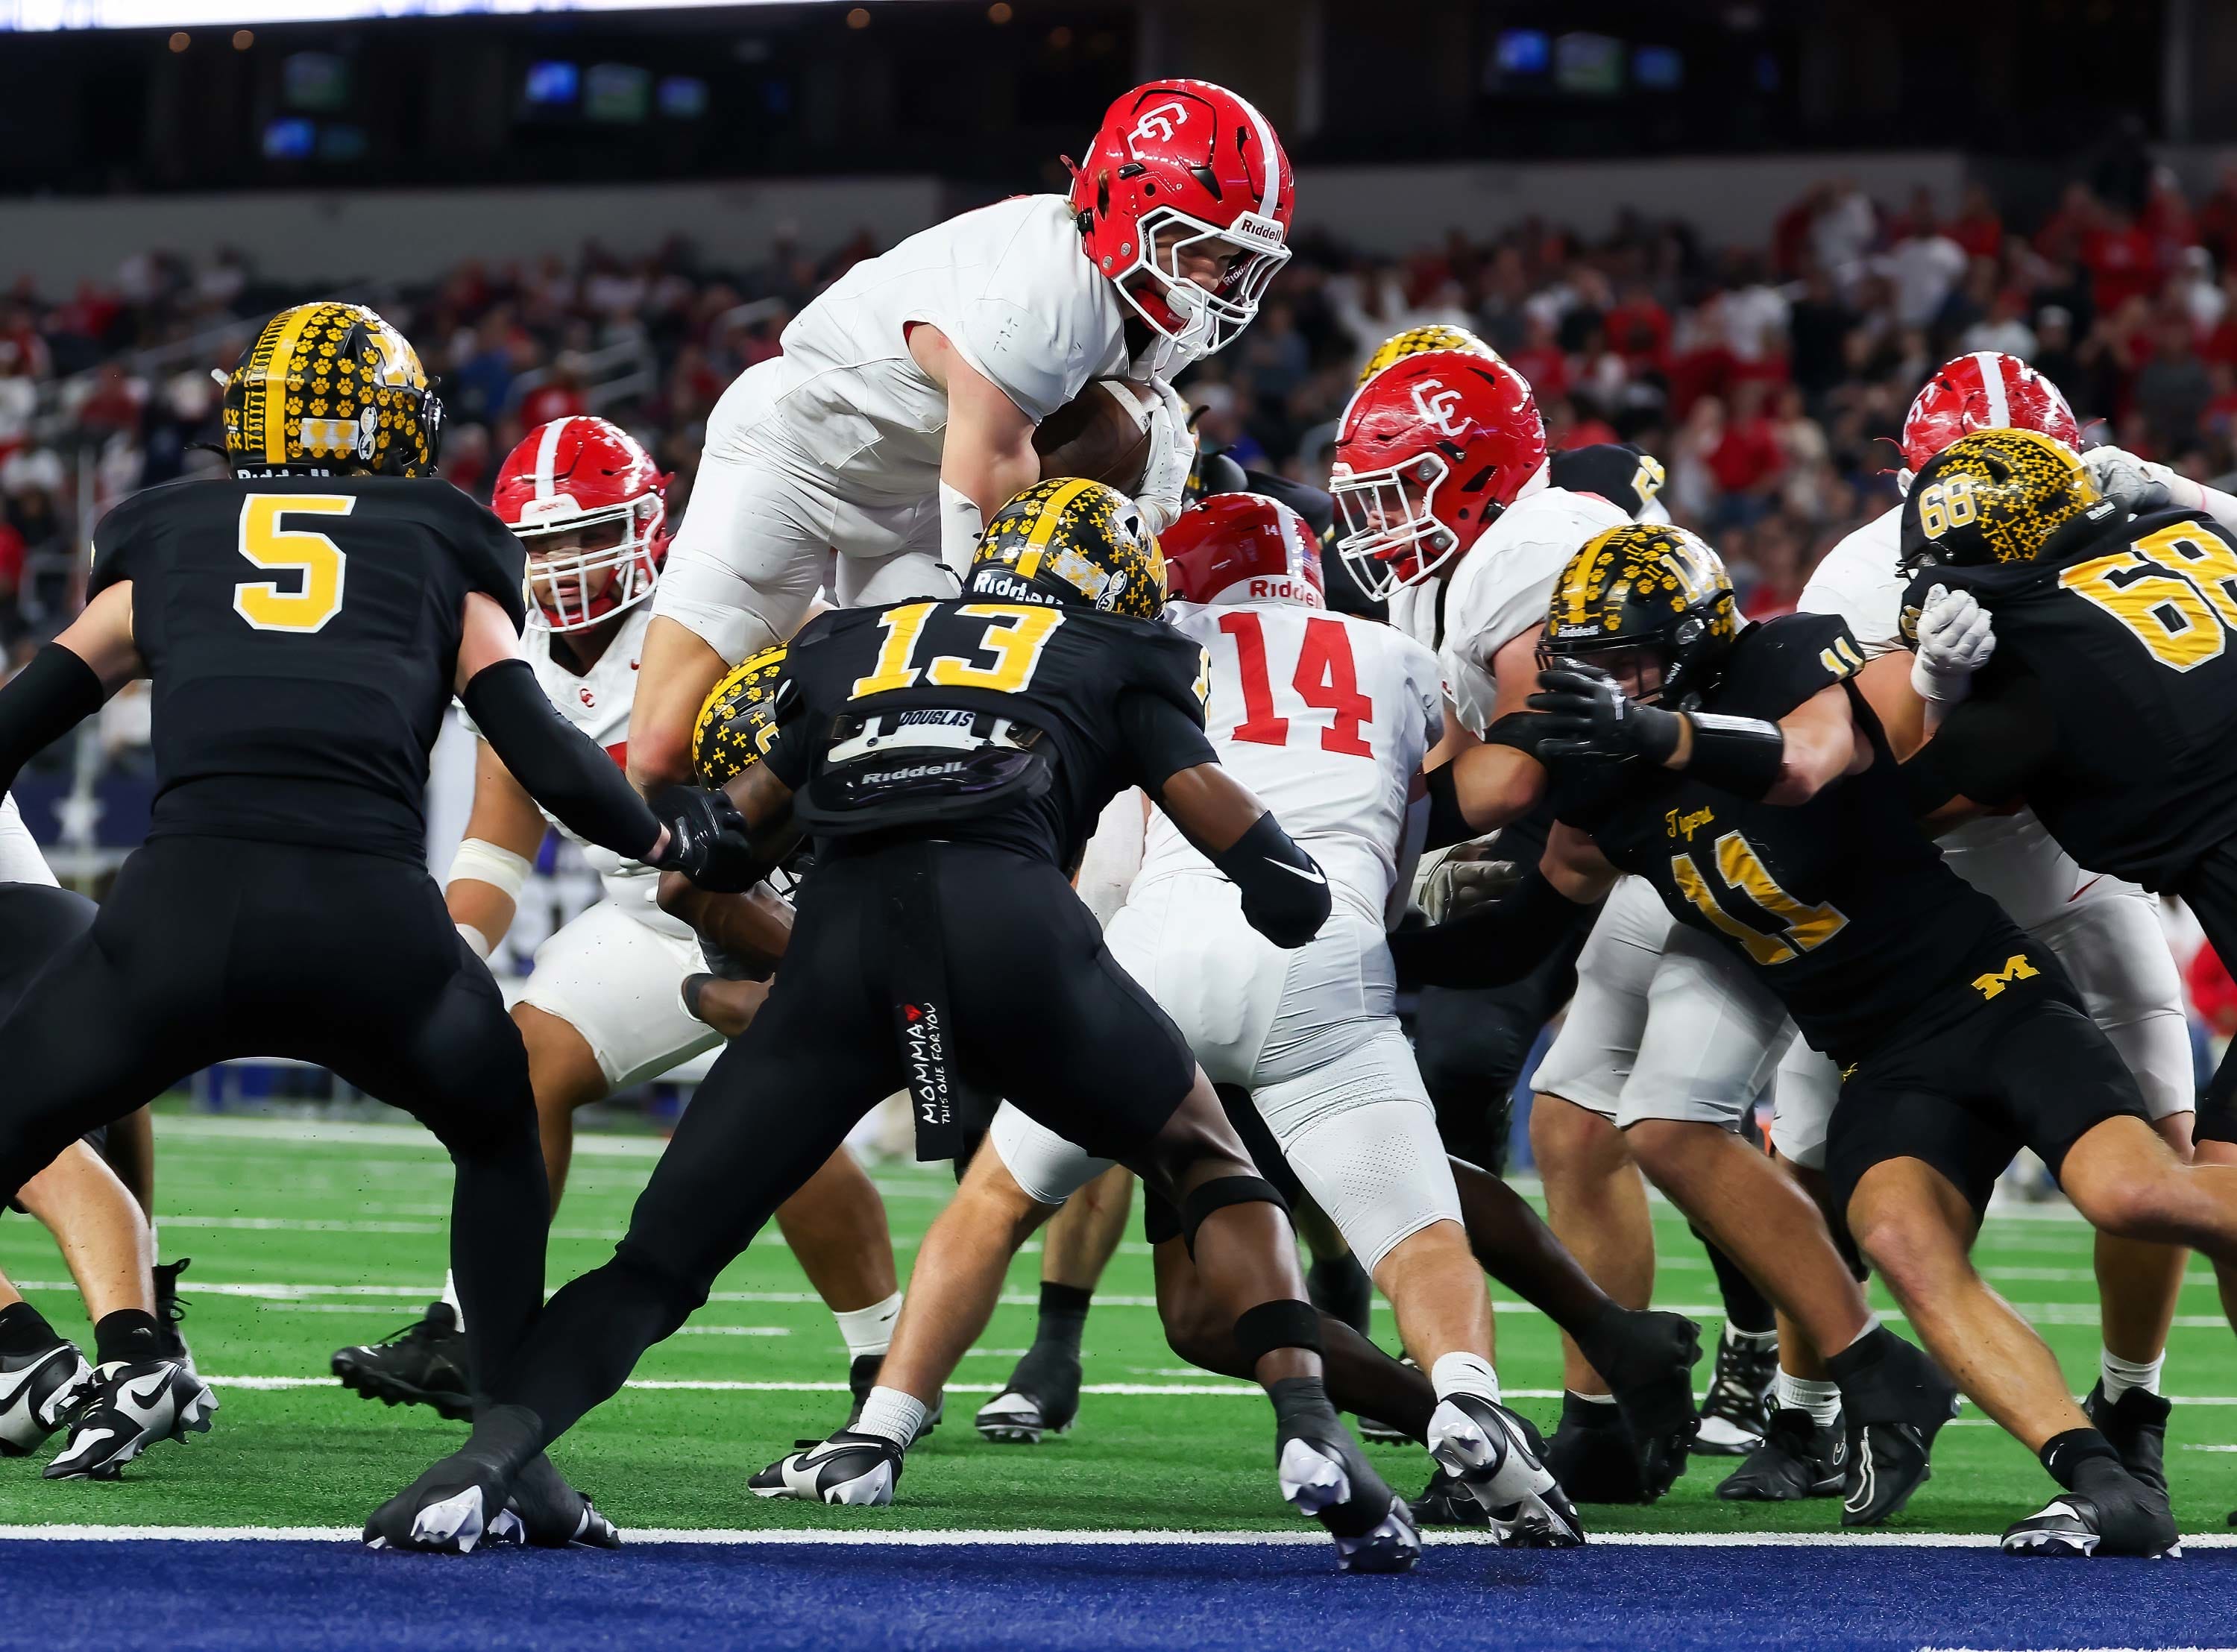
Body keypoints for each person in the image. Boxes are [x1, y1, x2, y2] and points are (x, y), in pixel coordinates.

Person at [371, 479, 1426, 1573]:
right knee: (1203, 1158)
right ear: (1117, 588)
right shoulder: (1120, 653)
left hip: (844, 951)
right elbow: (1262, 863)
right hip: (1012, 927)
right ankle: (1313, 1432)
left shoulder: (851, 644)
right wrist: (1291, 884)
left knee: (656, 1263)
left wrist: (700, 867)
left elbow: (730, 840)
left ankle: (483, 1465)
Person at [0, 302, 752, 1544]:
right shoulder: (438, 542)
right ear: (402, 431)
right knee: (503, 1137)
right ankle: (516, 1455)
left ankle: (92, 1345)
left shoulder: (166, 536)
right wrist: (666, 837)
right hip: (371, 933)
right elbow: (544, 748)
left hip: (176, 923)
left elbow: (27, 715)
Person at [761, 491, 1630, 1545]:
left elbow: (1113, 861)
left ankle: (881, 1434)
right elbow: (1418, 836)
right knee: (1416, 1230)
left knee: (994, 1200)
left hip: (1161, 950)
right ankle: (1469, 1396)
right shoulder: (1392, 654)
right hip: (1321, 948)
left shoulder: (1146, 650)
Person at [1406, 517, 2237, 1557]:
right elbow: (1540, 917)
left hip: (1994, 992)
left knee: (2133, 1192)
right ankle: (2101, 1480)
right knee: (1897, 1239)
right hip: (1874, 1054)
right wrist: (1394, 947)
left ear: (1699, 642)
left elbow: (1801, 764)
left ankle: (2117, 1419)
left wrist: (1663, 737)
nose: (1613, 685)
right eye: (1596, 666)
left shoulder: (1790, 658)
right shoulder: (1599, 772)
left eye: (1633, 660)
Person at [331, 416, 911, 1428]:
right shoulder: (509, 648)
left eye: (585, 534)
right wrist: (438, 959)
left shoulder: (738, 609)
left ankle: (886, 1360)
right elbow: (494, 852)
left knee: (777, 1125)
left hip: (800, 906)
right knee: (519, 1068)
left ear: (648, 527)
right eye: (544, 542)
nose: (561, 563)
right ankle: (470, 1328)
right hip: (649, 920)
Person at [1335, 348, 1811, 1498]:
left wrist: (1362, 813)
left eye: (1403, 484)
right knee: (1572, 1116)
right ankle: (1604, 1392)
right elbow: (1458, 744)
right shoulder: (1458, 555)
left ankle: (1772, 1382)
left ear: (1480, 474)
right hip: (1584, 842)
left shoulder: (1535, 555)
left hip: (1643, 845)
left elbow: (1499, 782)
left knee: (1626, 1113)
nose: (1380, 517)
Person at [1752, 356, 2194, 1506]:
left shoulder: (2119, 540)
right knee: (1808, 1138)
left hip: (2061, 855)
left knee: (2160, 1122)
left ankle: (2131, 1398)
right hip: (1907, 885)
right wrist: (1935, 710)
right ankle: (1805, 1409)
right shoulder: (1855, 575)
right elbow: (1848, 781)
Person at [623, 78, 1291, 801]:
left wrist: (1155, 498)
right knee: (659, 756)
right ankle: (809, 640)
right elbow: (999, 548)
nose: (1212, 277)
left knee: (915, 761)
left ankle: (821, 660)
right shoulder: (1036, 296)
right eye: (1192, 245)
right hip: (799, 461)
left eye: (1227, 257)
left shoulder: (1144, 292)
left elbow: (1123, 431)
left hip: (921, 491)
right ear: (1123, 206)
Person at [1894, 426, 2237, 1527]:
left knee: (2210, 1193)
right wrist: (2188, 488)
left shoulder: (2037, 668)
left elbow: (1895, 813)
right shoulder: (2191, 534)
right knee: (2221, 1183)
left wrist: (1940, 689)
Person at [0, 796, 201, 1478]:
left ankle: (19, 1356)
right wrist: (143, 1295)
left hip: (24, 945)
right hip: (69, 939)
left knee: (31, 1150)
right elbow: (123, 1100)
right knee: (44, 1145)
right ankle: (138, 1350)